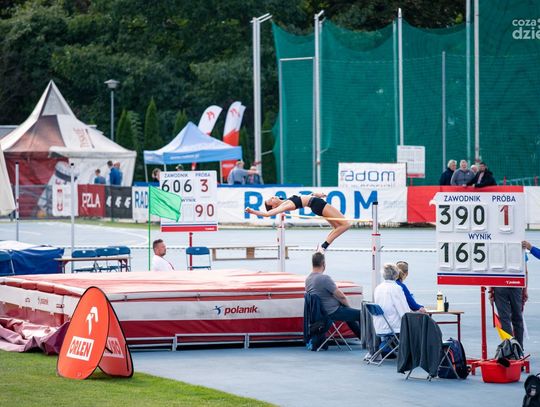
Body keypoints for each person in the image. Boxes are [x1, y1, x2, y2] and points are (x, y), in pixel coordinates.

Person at [245, 193, 351, 252]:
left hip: (315, 203)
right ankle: (323, 246)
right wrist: (252, 211)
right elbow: (267, 214)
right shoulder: (284, 206)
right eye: (270, 200)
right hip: (317, 204)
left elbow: (304, 197)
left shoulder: (286, 200)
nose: (272, 197)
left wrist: (315, 194)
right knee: (346, 224)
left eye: (271, 197)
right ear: (273, 206)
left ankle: (322, 246)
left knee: (338, 227)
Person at [305, 252, 361, 340]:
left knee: (349, 315)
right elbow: (341, 296)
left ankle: (362, 337)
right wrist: (348, 306)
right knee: (362, 315)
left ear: (313, 264)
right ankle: (370, 341)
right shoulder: (324, 278)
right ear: (323, 264)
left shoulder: (308, 280)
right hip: (332, 312)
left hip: (319, 314)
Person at [373, 263, 411, 336]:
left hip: (379, 326)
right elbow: (404, 311)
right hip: (394, 328)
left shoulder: (378, 288)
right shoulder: (396, 288)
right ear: (396, 274)